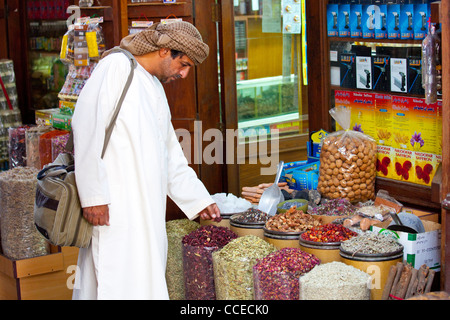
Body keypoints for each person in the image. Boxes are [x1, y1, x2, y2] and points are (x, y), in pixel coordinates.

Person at [71, 21, 221, 300]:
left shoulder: (154, 87)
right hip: (113, 208)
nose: (185, 74)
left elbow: (170, 156)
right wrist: (93, 196)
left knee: (142, 282)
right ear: (165, 51)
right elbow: (86, 127)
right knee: (115, 281)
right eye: (183, 64)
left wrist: (200, 199)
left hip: (145, 213)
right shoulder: (116, 67)